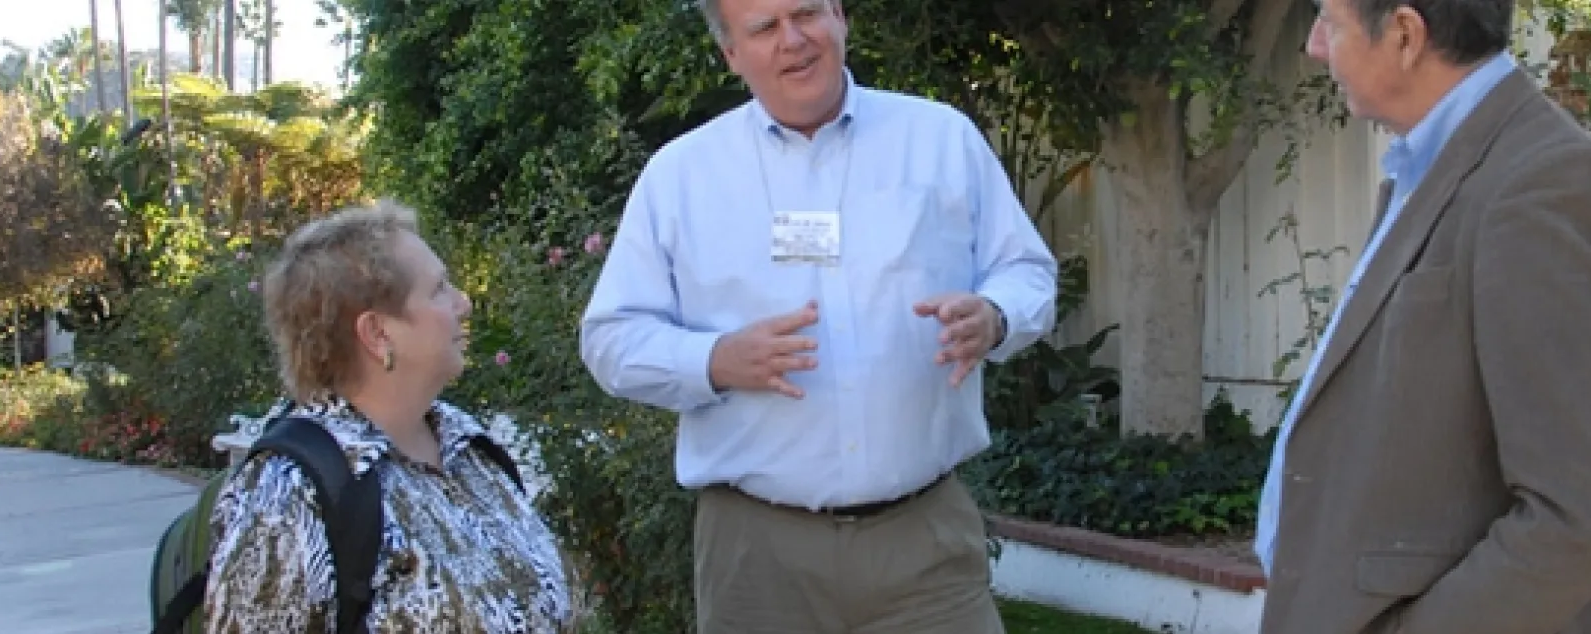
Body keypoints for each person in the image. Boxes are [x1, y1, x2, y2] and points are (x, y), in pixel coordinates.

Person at [577, 0, 1058, 631]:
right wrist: (714, 360)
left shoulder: (940, 140)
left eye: (807, 14)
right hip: (757, 556)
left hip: (925, 549)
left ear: (840, 18)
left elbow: (1029, 273)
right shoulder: (681, 177)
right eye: (765, 28)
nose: (793, 40)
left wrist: (996, 316)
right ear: (731, 54)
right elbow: (611, 338)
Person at [1253, 1, 1591, 632]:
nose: (1314, 47)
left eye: (1330, 22)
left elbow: (1584, 514)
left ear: (1406, 35)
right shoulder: (1432, 167)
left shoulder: (1540, 183)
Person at [204, 201, 585, 632]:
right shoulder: (289, 495)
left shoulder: (469, 448)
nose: (464, 303)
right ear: (377, 333)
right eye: (440, 289)